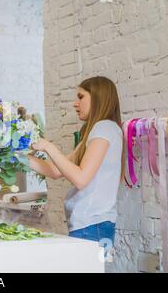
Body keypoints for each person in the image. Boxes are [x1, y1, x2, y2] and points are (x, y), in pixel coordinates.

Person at [28, 76, 124, 245]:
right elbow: (56, 170)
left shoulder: (105, 128)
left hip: (93, 226)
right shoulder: (95, 131)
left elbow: (80, 179)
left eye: (81, 97)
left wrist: (49, 147)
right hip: (93, 225)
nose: (75, 103)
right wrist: (17, 157)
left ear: (98, 98)